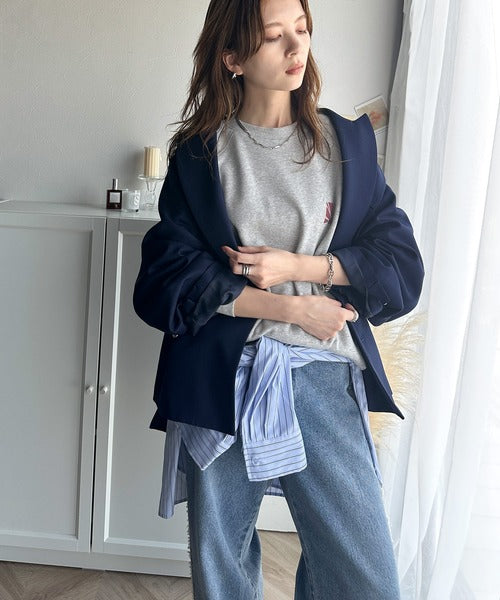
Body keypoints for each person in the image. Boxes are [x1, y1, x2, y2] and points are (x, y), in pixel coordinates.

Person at [133, 0, 424, 597]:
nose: (297, 48)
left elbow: (400, 266)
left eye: (302, 29)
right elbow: (165, 278)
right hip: (223, 377)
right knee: (224, 569)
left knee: (362, 577)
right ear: (232, 58)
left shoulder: (346, 144)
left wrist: (299, 268)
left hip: (322, 373)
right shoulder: (201, 155)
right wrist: (290, 306)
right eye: (273, 36)